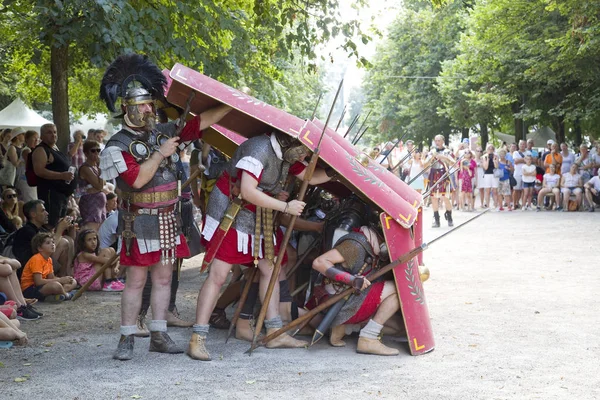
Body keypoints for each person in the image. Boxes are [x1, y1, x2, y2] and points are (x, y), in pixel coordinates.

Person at [98, 54, 232, 361]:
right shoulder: (117, 145)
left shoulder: (164, 132)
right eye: (142, 105)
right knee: (136, 281)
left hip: (168, 218)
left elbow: (200, 123)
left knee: (162, 278)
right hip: (139, 221)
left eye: (150, 104)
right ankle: (127, 336)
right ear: (126, 108)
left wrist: (230, 102)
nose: (149, 109)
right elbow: (137, 180)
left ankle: (158, 334)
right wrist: (160, 153)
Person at [188, 129, 334, 361]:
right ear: (291, 142)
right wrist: (285, 207)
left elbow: (311, 176)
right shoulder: (259, 148)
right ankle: (198, 338)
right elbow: (246, 190)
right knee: (218, 274)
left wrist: (336, 170)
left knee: (271, 270)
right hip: (232, 213)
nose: (303, 155)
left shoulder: (285, 154)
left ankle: (274, 332)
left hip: (258, 216)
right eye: (303, 149)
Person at [311, 226, 402, 356]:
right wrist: (351, 279)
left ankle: (346, 327)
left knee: (398, 328)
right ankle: (368, 338)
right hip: (340, 303)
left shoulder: (375, 249)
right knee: (397, 288)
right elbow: (319, 262)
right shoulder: (356, 245)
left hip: (352, 300)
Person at [12, 200, 76, 278]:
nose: (47, 213)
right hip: (31, 270)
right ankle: (62, 278)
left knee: (68, 239)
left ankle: (66, 276)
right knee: (63, 242)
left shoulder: (41, 229)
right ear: (33, 214)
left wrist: (71, 229)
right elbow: (46, 250)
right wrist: (60, 230)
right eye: (43, 211)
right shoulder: (26, 231)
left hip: (42, 263)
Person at [31, 123, 76, 228]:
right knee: (51, 225)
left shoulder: (55, 149)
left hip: (62, 195)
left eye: (55, 132)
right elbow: (39, 171)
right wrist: (61, 175)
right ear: (41, 136)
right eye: (49, 132)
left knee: (61, 224)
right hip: (50, 195)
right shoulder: (41, 150)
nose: (53, 135)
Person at [20, 232, 78, 302]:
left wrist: (64, 279)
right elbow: (38, 282)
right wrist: (60, 280)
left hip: (42, 287)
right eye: (48, 243)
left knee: (73, 281)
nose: (52, 244)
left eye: (53, 242)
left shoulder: (49, 259)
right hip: (30, 289)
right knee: (55, 286)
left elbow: (51, 277)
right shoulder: (37, 259)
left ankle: (56, 295)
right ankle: (66, 295)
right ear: (40, 248)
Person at [78, 140, 110, 231]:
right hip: (90, 204)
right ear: (86, 153)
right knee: (91, 230)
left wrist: (98, 188)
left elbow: (103, 183)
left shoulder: (96, 167)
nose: (96, 153)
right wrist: (100, 166)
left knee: (100, 233)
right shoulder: (85, 168)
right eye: (93, 151)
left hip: (100, 205)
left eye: (98, 150)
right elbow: (99, 186)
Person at [424, 134, 454, 227]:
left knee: (445, 197)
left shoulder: (447, 151)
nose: (437, 142)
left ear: (443, 141)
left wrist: (444, 157)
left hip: (444, 174)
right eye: (436, 140)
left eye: (439, 140)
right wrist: (432, 157)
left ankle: (449, 216)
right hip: (433, 174)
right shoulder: (431, 152)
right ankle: (436, 219)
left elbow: (453, 163)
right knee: (433, 197)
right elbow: (425, 164)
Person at [16, 130, 39, 202]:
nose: (36, 140)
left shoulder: (34, 150)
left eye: (37, 138)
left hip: (31, 180)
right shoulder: (26, 150)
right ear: (27, 140)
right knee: (29, 200)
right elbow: (32, 163)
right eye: (34, 138)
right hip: (25, 180)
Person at [481, 143, 499, 210]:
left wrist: (494, 161)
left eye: (492, 148)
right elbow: (485, 167)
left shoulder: (496, 156)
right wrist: (488, 159)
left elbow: (497, 166)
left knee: (495, 191)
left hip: (494, 175)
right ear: (487, 149)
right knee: (487, 191)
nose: (490, 150)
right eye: (489, 148)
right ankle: (488, 206)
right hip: (487, 175)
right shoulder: (484, 156)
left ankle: (495, 205)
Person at [512, 140, 527, 209]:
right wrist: (524, 159)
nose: (522, 145)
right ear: (518, 145)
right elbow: (516, 161)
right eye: (521, 144)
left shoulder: (528, 152)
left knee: (523, 190)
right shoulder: (515, 152)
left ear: (525, 145)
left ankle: (519, 203)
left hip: (525, 173)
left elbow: (530, 161)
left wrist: (520, 160)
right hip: (517, 173)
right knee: (516, 189)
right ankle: (514, 204)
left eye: (523, 144)